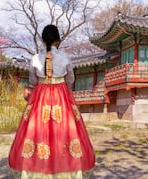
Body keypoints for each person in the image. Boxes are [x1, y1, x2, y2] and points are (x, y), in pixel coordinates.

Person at [8, 24, 95, 178]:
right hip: (61, 94)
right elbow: (71, 79)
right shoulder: (65, 57)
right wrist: (61, 87)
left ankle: (34, 169)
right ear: (58, 39)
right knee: (66, 129)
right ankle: (68, 169)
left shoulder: (35, 58)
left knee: (36, 129)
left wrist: (42, 85)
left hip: (40, 95)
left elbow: (33, 81)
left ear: (42, 39)